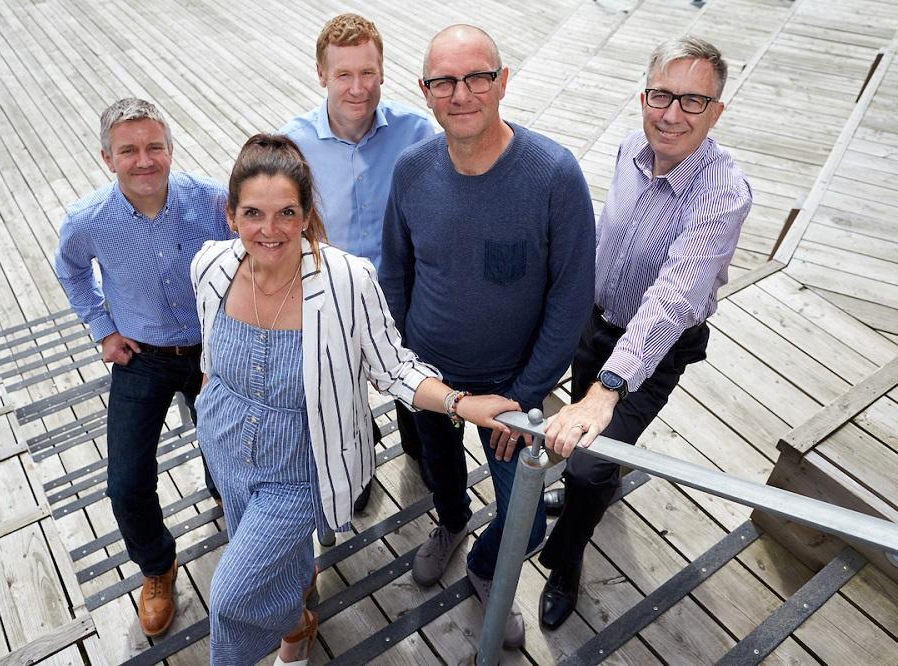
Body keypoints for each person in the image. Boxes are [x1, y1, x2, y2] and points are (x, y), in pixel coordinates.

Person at [191, 134, 519, 666]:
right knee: (282, 563)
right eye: (252, 213)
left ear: (305, 216)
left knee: (231, 597)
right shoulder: (210, 266)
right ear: (230, 216)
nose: (269, 230)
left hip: (300, 465)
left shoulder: (347, 280)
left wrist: (463, 403)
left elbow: (394, 369)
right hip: (224, 445)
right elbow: (209, 350)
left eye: (285, 213)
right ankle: (298, 625)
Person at [379, 25, 596, 648]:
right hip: (430, 378)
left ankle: (485, 565)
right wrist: (405, 365)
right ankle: (450, 526)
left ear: (503, 82)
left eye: (477, 77)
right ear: (425, 92)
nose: (462, 93)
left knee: (524, 523)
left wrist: (527, 396)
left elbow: (570, 296)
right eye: (444, 81)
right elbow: (396, 270)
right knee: (439, 474)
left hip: (513, 388)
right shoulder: (412, 170)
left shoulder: (552, 174)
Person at [536, 36, 753, 630]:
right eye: (662, 95)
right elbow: (606, 239)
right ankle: (584, 498)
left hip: (653, 353)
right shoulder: (632, 146)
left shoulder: (723, 194)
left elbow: (674, 298)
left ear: (717, 111)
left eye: (692, 100)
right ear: (643, 97)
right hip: (596, 321)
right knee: (584, 453)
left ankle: (566, 559)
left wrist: (607, 389)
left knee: (587, 464)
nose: (672, 114)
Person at [54, 98, 229, 637]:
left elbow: (253, 254)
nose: (144, 160)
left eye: (155, 146)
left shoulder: (212, 200)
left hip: (213, 349)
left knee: (230, 456)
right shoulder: (89, 221)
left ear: (171, 149)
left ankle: (231, 504)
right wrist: (103, 329)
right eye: (129, 150)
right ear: (108, 158)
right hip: (142, 357)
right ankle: (157, 567)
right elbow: (71, 271)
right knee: (126, 482)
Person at [282, 13, 437, 506]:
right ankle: (358, 466)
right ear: (321, 73)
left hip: (405, 290)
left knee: (417, 391)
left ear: (383, 71)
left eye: (367, 72)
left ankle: (421, 451)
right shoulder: (295, 144)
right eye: (343, 74)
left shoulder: (417, 132)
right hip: (331, 293)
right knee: (344, 398)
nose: (357, 87)